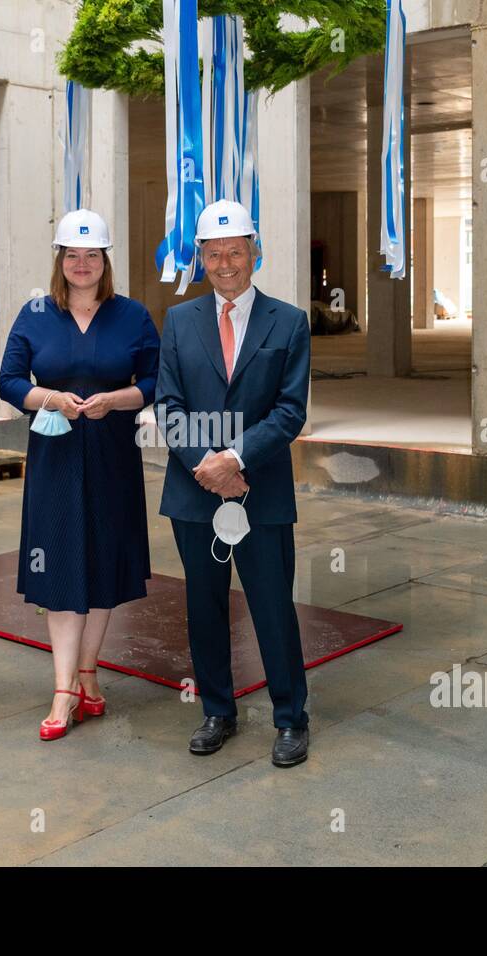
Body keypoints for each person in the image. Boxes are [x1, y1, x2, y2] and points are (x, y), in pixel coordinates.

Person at [156, 199, 312, 768]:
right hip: (195, 491)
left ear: (255, 252)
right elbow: (168, 404)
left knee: (272, 607)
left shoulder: (289, 322)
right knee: (204, 608)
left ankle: (291, 718)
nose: (226, 264)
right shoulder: (178, 322)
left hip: (260, 492)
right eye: (214, 254)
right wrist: (207, 463)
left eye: (236, 252)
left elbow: (290, 412)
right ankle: (218, 711)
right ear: (200, 258)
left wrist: (235, 460)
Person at [0, 209, 160, 741]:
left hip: (114, 454)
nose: (82, 264)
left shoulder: (132, 315)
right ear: (60, 260)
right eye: (73, 255)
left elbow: (157, 380)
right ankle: (64, 688)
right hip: (56, 455)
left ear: (105, 260)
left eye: (92, 255)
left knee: (103, 564)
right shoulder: (36, 313)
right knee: (63, 563)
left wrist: (118, 400)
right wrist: (49, 398)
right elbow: (9, 380)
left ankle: (89, 672)